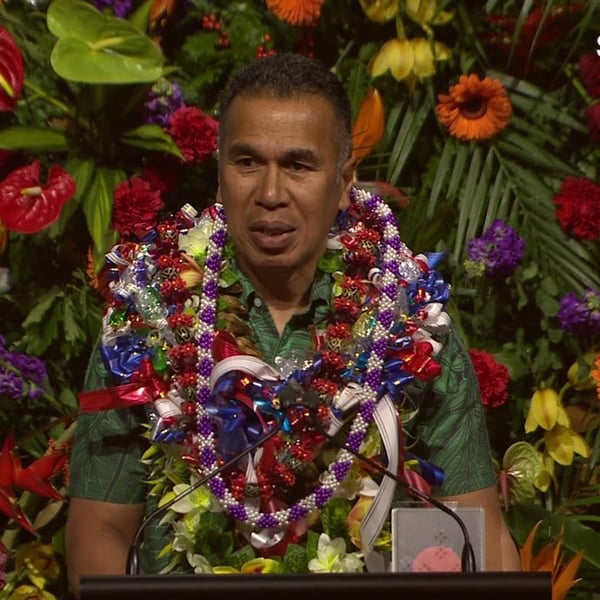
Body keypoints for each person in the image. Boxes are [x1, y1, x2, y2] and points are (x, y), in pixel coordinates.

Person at [65, 52, 521, 596]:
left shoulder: (410, 321)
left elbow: (477, 531)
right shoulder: (148, 314)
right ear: (219, 175)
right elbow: (100, 532)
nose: (271, 193)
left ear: (344, 180)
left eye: (299, 165)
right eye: (247, 162)